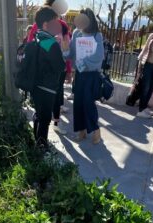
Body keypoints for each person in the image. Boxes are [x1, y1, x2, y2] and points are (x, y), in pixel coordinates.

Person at [26, 0, 72, 134]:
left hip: (37, 79)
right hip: (48, 82)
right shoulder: (48, 40)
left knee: (40, 112)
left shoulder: (38, 34)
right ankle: (41, 145)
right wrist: (62, 52)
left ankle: (38, 139)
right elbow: (59, 63)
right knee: (46, 116)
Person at [64, 9, 105, 144]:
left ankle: (95, 130)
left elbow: (99, 56)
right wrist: (63, 52)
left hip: (92, 75)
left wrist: (83, 62)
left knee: (88, 103)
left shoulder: (97, 35)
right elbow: (71, 53)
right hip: (80, 75)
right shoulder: (76, 33)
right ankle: (81, 131)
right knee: (78, 103)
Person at [30, 7, 65, 151]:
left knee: (39, 115)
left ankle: (36, 141)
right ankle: (41, 147)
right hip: (47, 87)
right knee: (45, 118)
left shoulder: (37, 37)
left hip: (35, 84)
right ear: (45, 24)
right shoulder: (50, 43)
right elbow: (59, 66)